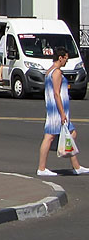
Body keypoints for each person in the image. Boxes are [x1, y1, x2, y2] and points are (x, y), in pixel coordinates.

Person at [37, 48, 89, 176]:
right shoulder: (57, 72)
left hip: (55, 109)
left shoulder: (50, 71)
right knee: (49, 137)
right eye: (66, 58)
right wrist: (62, 113)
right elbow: (56, 93)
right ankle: (41, 168)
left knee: (72, 133)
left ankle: (76, 166)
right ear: (60, 58)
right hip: (56, 111)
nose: (67, 60)